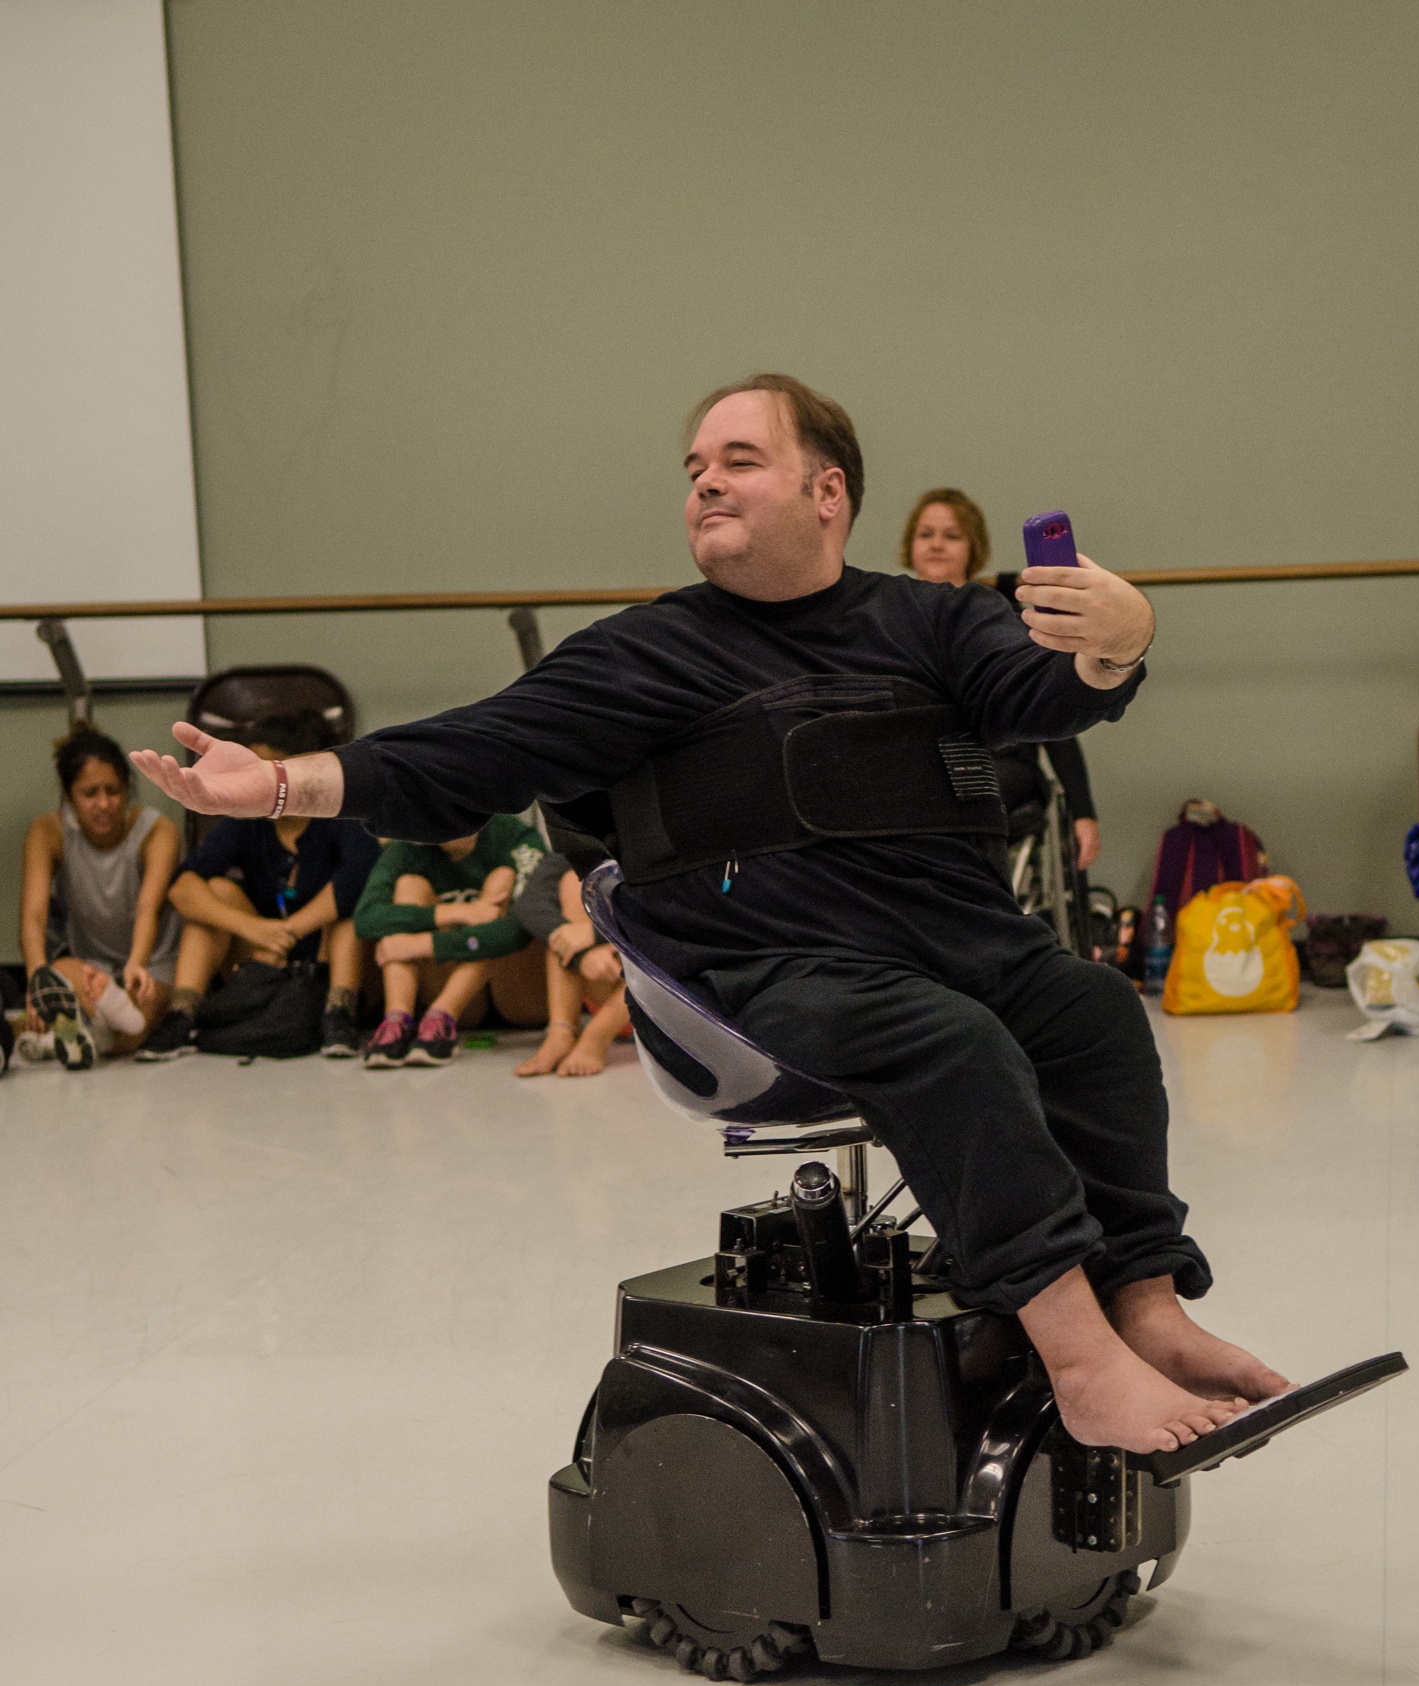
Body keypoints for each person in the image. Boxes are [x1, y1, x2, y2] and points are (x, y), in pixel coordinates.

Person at [131, 372, 1289, 1457]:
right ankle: (1081, 1362)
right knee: (946, 1037)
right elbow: (468, 751)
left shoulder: (929, 624)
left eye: (740, 459)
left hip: (962, 946)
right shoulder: (649, 652)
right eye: (695, 467)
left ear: (827, 493)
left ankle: (1144, 1306)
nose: (705, 482)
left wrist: (1121, 638)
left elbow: (1046, 690)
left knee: (1091, 1010)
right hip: (765, 975)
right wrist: (284, 782)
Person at [136, 712, 378, 1061]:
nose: (256, 780)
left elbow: (358, 876)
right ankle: (181, 1016)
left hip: (326, 956)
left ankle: (339, 1015)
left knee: (349, 917)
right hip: (265, 955)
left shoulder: (340, 811)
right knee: (217, 891)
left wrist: (291, 930)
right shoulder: (249, 816)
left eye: (267, 768)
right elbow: (182, 887)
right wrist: (257, 930)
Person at [902, 487, 1102, 868]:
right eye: (925, 534)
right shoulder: (891, 620)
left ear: (971, 547)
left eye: (952, 535)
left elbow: (1055, 718)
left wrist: (1083, 811)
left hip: (1001, 761)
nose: (937, 545)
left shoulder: (1003, 621)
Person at [18, 726, 181, 1067]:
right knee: (61, 976)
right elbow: (33, 916)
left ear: (127, 789)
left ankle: (72, 1038)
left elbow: (147, 909)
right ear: (68, 795)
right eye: (90, 793)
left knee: (141, 1013)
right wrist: (37, 976)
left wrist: (137, 962)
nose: (104, 804)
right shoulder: (48, 831)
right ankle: (96, 1030)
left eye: (114, 791)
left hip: (151, 962)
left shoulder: (158, 831)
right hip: (92, 969)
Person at [353, 814, 549, 1066]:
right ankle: (398, 1020)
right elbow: (366, 918)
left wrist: (425, 944)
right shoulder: (409, 844)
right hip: (458, 992)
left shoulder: (514, 836)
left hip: (518, 993)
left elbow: (518, 929)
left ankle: (442, 1016)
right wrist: (461, 912)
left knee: (502, 877)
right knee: (409, 885)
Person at [509, 855, 632, 1077]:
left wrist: (597, 934)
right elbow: (530, 903)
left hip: (670, 997)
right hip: (611, 980)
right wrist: (582, 954)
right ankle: (561, 1031)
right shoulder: (587, 836)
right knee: (574, 882)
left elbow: (679, 916)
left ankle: (597, 1036)